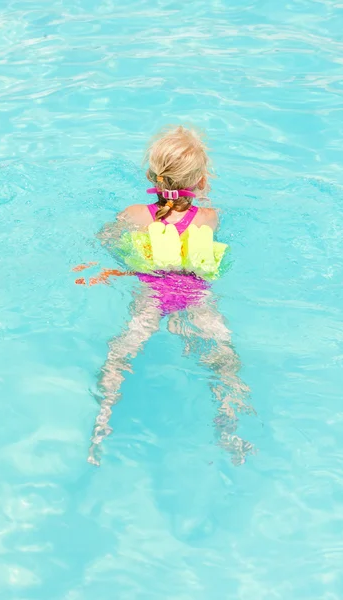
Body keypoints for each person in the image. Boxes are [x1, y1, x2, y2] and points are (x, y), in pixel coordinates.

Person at [86, 126, 254, 466]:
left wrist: (106, 267)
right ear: (202, 181)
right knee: (224, 357)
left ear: (152, 175)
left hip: (151, 291)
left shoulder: (133, 215)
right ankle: (229, 426)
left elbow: (104, 239)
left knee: (121, 353)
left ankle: (102, 422)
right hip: (196, 295)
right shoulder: (210, 218)